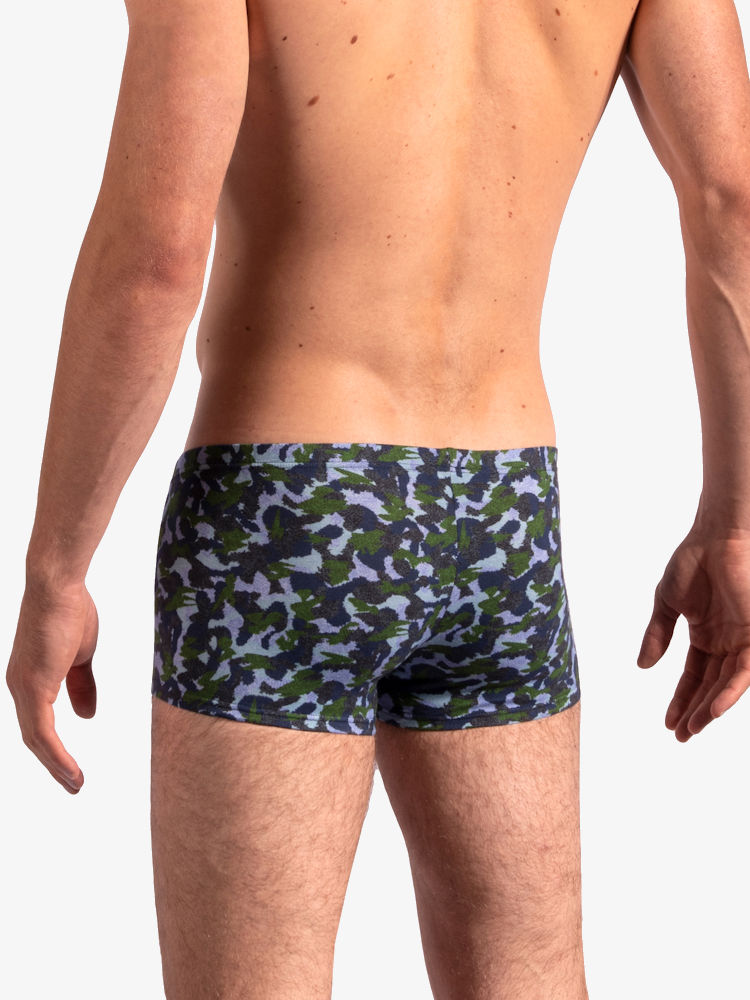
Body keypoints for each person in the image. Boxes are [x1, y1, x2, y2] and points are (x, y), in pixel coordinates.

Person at [6, 0, 750, 996]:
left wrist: (57, 566)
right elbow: (733, 205)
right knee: (528, 970)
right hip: (503, 510)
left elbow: (156, 257)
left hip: (284, 509)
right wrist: (736, 520)